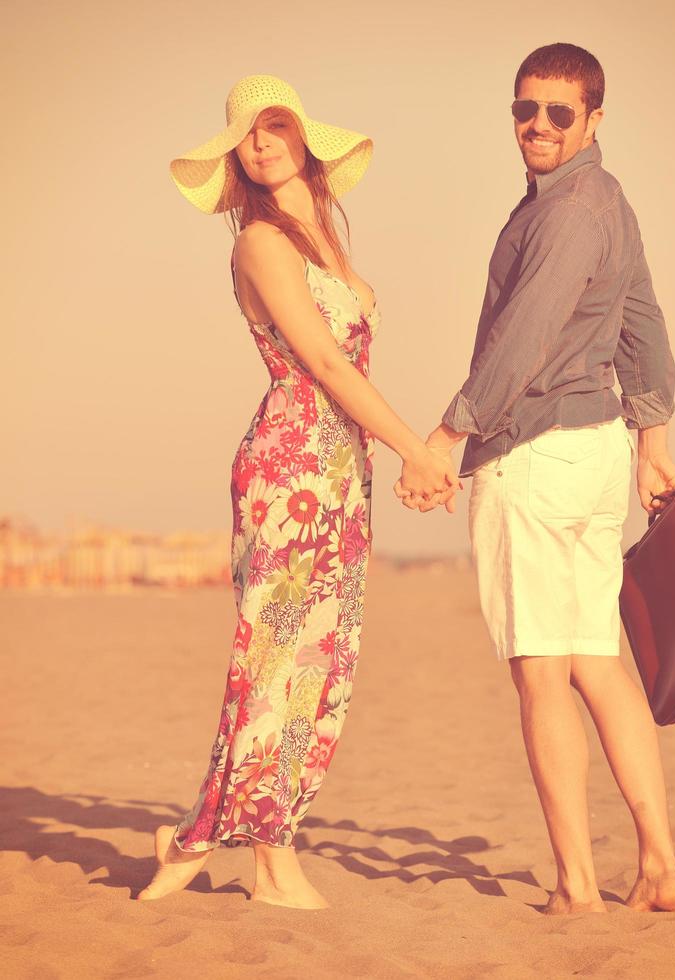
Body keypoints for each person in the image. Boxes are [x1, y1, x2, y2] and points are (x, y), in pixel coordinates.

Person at [138, 75, 460, 908]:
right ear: (236, 157)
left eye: (274, 125)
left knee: (322, 664)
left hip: (338, 467)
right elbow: (321, 362)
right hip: (290, 469)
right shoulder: (260, 244)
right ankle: (241, 849)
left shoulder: (324, 242)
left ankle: (233, 840)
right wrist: (411, 452)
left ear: (304, 138)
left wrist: (388, 456)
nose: (261, 141)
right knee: (274, 657)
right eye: (246, 133)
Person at [397, 43, 675, 914]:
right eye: (525, 109)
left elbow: (522, 338)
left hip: (535, 455)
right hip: (595, 454)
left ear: (594, 118)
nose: (538, 126)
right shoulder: (609, 201)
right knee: (598, 662)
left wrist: (445, 434)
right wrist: (652, 439)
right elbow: (645, 326)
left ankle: (575, 885)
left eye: (559, 113)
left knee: (541, 672)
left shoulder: (565, 213)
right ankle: (661, 865)